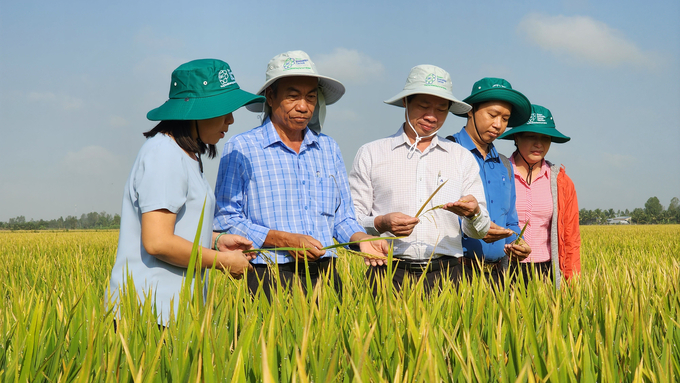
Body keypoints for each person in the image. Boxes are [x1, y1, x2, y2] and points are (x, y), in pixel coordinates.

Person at [213, 50, 389, 300]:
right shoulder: (242, 147)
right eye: (293, 96)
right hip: (270, 275)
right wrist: (283, 240)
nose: (304, 106)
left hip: (327, 276)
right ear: (271, 97)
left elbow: (343, 217)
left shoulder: (328, 148)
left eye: (311, 97)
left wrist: (362, 239)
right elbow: (226, 218)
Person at [108, 59, 264, 324]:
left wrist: (216, 241)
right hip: (148, 315)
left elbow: (178, 227)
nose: (231, 119)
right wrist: (222, 262)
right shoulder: (163, 154)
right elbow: (158, 242)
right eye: (223, 109)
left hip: (173, 312)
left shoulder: (186, 156)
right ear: (195, 111)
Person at [349, 65, 491, 294]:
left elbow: (480, 231)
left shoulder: (461, 157)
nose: (432, 116)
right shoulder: (372, 153)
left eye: (441, 109)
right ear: (406, 102)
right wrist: (381, 222)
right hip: (387, 273)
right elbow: (351, 219)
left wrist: (474, 213)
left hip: (447, 277)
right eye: (424, 106)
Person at [448, 77, 533, 284]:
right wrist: (477, 227)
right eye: (492, 115)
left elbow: (510, 220)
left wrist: (518, 244)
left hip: (499, 274)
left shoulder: (504, 164)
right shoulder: (447, 153)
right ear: (470, 110)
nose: (498, 125)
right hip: (457, 272)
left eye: (505, 118)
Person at [497, 104, 581, 287]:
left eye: (545, 138)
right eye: (531, 136)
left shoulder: (561, 181)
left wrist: (572, 282)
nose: (539, 144)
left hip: (546, 272)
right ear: (516, 137)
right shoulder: (498, 173)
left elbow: (571, 237)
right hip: (503, 270)